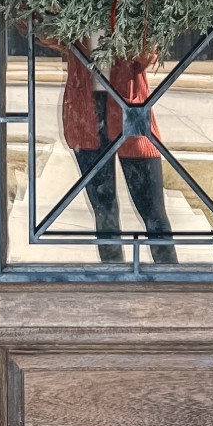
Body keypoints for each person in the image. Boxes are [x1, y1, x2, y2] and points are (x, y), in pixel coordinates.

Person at [60, 44, 178, 265]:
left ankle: (171, 285)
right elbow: (45, 33)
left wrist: (130, 37)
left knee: (154, 214)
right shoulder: (73, 10)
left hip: (131, 112)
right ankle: (113, 283)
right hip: (84, 113)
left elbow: (148, 54)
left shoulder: (125, 7)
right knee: (105, 215)